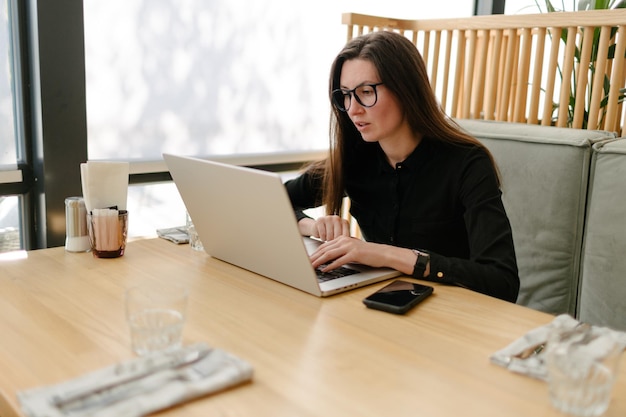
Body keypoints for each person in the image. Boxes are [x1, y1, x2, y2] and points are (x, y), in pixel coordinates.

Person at [285, 30, 519, 302]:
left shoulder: (467, 164)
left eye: (365, 92)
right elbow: (271, 202)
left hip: (454, 316)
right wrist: (313, 228)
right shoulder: (355, 159)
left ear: (406, 89)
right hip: (380, 307)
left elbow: (502, 282)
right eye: (346, 95)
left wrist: (384, 254)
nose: (353, 109)